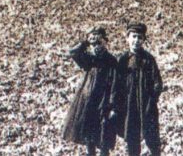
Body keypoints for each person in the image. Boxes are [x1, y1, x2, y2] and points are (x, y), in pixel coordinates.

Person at [63, 27, 118, 156]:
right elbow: (73, 52)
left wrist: (113, 105)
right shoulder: (90, 59)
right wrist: (85, 42)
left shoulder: (111, 60)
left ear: (106, 42)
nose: (97, 46)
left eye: (100, 42)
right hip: (88, 100)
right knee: (88, 135)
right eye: (94, 44)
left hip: (104, 102)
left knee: (104, 136)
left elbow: (115, 84)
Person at [111, 23, 163, 156]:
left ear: (144, 40)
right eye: (133, 36)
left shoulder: (148, 60)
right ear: (127, 38)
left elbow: (157, 83)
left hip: (147, 107)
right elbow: (115, 85)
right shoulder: (122, 60)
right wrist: (115, 105)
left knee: (153, 141)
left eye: (140, 37)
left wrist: (152, 100)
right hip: (129, 108)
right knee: (132, 141)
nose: (136, 40)